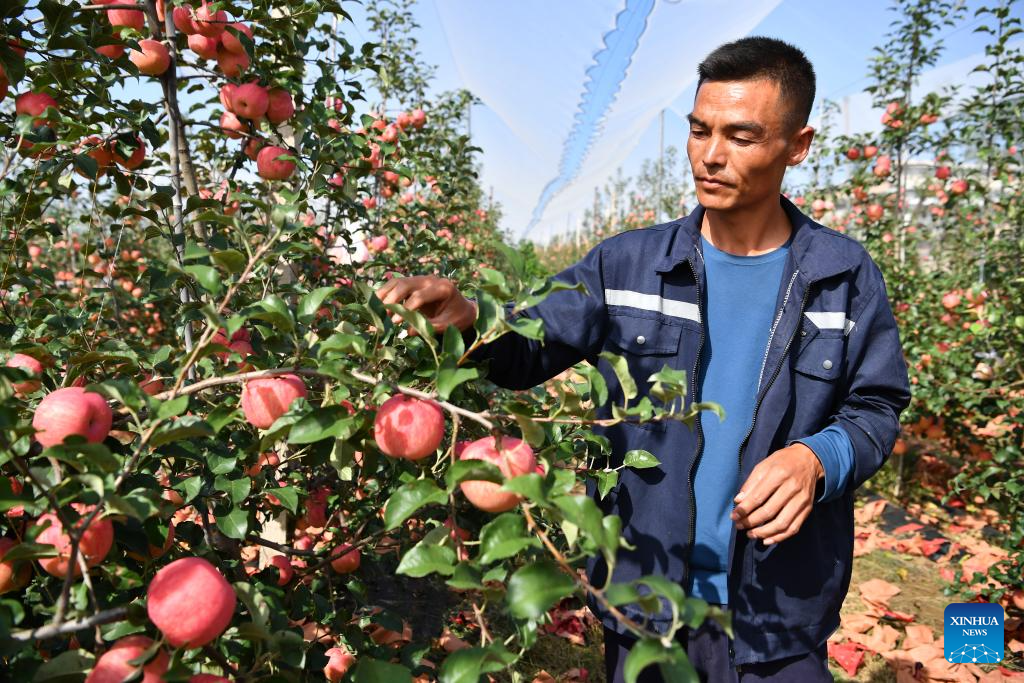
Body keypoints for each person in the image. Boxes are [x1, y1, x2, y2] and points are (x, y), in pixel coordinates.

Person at [376, 36, 911, 683]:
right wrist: (468, 322)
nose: (710, 155)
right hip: (645, 605)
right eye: (699, 129)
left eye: (740, 136)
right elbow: (521, 351)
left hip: (779, 609)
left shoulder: (842, 274)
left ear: (798, 145)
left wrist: (815, 458)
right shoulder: (624, 267)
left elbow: (877, 406)